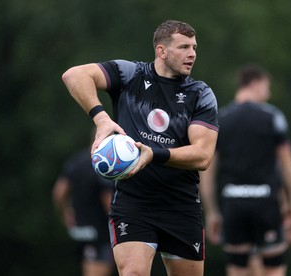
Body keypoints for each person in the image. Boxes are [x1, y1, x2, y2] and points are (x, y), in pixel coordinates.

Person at [62, 20, 219, 276]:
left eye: (194, 47)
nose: (192, 54)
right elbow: (74, 75)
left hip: (181, 204)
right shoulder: (130, 75)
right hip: (134, 203)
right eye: (184, 47)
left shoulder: (199, 94)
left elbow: (202, 155)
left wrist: (152, 154)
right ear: (161, 51)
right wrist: (102, 118)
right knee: (133, 272)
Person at [200, 64, 291, 276]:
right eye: (266, 87)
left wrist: (212, 211)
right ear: (255, 84)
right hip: (266, 201)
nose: (269, 93)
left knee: (237, 268)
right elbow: (288, 165)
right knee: (274, 267)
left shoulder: (220, 119)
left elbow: (206, 169)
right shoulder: (273, 117)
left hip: (233, 202)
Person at [53, 148, 114, 276]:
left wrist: (66, 212)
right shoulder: (105, 164)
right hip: (100, 233)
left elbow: (59, 192)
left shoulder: (76, 162)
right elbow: (108, 203)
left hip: (79, 231)